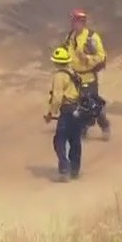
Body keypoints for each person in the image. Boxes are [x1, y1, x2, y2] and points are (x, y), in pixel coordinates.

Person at [62, 8, 111, 140]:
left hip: (89, 77)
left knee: (93, 105)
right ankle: (82, 128)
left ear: (82, 23)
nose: (73, 24)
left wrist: (87, 59)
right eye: (72, 21)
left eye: (76, 21)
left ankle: (104, 126)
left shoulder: (91, 38)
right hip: (75, 76)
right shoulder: (70, 37)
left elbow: (101, 56)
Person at [44, 47, 84, 182]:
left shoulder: (59, 76)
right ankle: (75, 169)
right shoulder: (73, 72)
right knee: (75, 140)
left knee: (59, 140)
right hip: (78, 110)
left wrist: (50, 113)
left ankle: (64, 169)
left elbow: (57, 98)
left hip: (66, 110)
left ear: (56, 62)